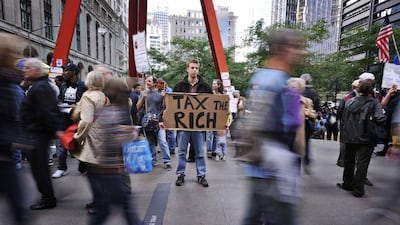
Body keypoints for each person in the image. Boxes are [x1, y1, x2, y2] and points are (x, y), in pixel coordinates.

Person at [240, 29, 304, 225]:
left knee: (253, 216)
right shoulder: (283, 83)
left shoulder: (259, 77)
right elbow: (291, 124)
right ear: (280, 49)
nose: (299, 53)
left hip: (256, 161)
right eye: (295, 47)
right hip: (275, 166)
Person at [85, 78, 141, 225]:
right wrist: (132, 135)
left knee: (103, 211)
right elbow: (117, 138)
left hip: (99, 168)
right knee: (126, 209)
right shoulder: (115, 112)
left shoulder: (105, 111)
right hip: (109, 171)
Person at [337, 72, 386, 198]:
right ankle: (358, 189)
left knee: (349, 161)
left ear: (358, 89)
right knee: (362, 163)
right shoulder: (374, 103)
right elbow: (380, 119)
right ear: (371, 91)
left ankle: (347, 183)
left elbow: (342, 117)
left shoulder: (349, 102)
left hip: (349, 136)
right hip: (367, 137)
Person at [21, 58, 60, 210]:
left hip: (37, 134)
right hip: (37, 133)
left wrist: (53, 131)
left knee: (40, 168)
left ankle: (48, 198)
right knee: (40, 167)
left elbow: (47, 113)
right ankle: (47, 196)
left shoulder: (40, 87)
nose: (25, 71)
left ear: (37, 71)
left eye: (28, 68)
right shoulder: (39, 85)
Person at [0, 32, 30, 224]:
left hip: (7, 154)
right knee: (19, 209)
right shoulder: (7, 85)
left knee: (19, 209)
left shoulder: (9, 82)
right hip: (4, 156)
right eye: (14, 53)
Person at [173, 59, 212, 187]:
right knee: (182, 151)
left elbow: (212, 106)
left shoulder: (205, 87)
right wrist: (165, 120)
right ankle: (180, 174)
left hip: (199, 126)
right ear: (187, 69)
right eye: (192, 67)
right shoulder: (179, 86)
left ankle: (201, 175)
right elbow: (172, 105)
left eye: (196, 68)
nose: (194, 70)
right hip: (183, 126)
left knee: (200, 152)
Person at [52, 63, 87, 178]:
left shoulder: (83, 86)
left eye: (67, 70)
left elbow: (86, 102)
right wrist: (60, 105)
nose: (65, 73)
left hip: (77, 118)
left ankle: (83, 165)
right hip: (64, 118)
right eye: (65, 70)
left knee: (80, 142)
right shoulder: (63, 86)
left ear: (74, 72)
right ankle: (61, 168)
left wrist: (77, 106)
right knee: (63, 143)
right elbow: (60, 99)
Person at [136, 75, 172, 170]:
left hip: (159, 121)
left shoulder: (160, 93)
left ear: (154, 83)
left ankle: (167, 161)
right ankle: (153, 160)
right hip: (148, 122)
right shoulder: (143, 93)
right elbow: (138, 107)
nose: (147, 83)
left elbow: (165, 107)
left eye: (149, 81)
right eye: (146, 81)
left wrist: (164, 97)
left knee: (162, 141)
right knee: (150, 142)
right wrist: (143, 98)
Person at [300, 73, 321, 174]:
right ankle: (306, 161)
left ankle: (296, 161)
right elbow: (317, 107)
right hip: (309, 120)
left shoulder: (299, 91)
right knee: (307, 141)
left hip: (298, 119)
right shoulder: (314, 93)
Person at [336, 79, 360, 167]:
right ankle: (353, 161)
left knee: (344, 142)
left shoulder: (346, 97)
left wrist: (340, 121)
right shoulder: (363, 98)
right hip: (356, 124)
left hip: (345, 123)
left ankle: (342, 160)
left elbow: (340, 110)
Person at [206, 79, 224, 159]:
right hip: (209, 116)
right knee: (209, 134)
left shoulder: (222, 95)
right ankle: (209, 151)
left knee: (216, 135)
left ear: (219, 85)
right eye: (212, 83)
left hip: (218, 117)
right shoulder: (210, 94)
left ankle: (214, 150)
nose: (213, 85)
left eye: (215, 83)